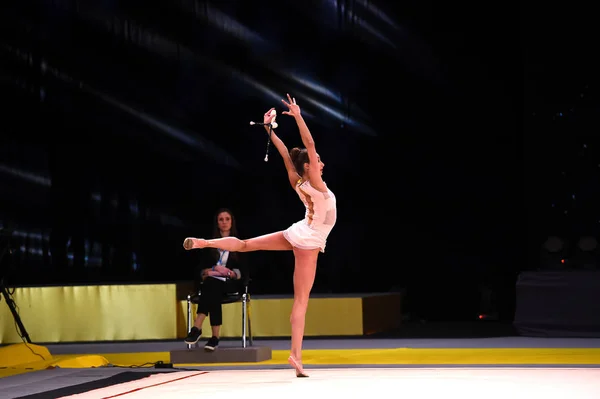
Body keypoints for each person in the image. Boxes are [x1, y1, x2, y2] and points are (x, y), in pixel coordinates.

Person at [183, 94, 337, 377]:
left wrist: (269, 129)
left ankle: (204, 242)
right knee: (301, 300)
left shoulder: (298, 179)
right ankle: (296, 356)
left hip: (298, 231)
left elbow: (284, 154)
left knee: (244, 245)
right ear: (309, 167)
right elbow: (310, 145)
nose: (321, 162)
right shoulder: (313, 180)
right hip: (309, 240)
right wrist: (298, 115)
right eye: (317, 161)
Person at [184, 208, 247, 352]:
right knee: (213, 287)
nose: (224, 222)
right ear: (217, 223)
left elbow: (243, 271)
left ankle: (197, 327)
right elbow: (200, 269)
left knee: (211, 287)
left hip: (231, 284)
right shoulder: (209, 244)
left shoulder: (239, 243)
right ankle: (214, 338)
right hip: (212, 282)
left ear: (232, 222)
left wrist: (230, 273)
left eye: (227, 219)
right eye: (221, 219)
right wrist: (213, 269)